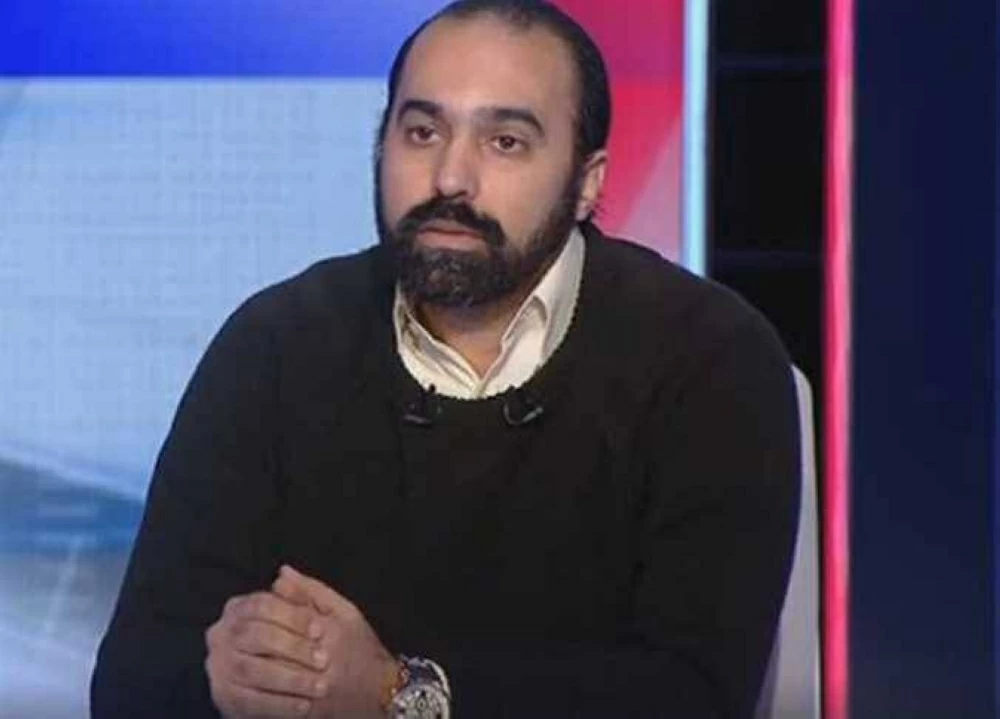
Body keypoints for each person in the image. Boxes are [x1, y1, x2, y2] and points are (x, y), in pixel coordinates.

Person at [91, 1, 800, 717]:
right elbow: (133, 680)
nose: (451, 178)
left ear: (587, 182)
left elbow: (693, 693)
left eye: (506, 142)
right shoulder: (277, 342)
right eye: (422, 132)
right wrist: (228, 675)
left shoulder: (709, 357)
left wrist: (396, 693)